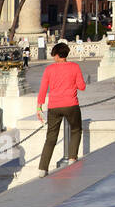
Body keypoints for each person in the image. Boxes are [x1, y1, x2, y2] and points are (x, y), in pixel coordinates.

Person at [36, 42, 86, 176]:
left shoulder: (49, 69)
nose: (53, 58)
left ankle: (43, 168)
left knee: (51, 137)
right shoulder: (75, 67)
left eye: (54, 55)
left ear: (58, 55)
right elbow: (82, 86)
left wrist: (39, 106)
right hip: (71, 104)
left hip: (54, 106)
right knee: (76, 130)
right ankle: (72, 158)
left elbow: (43, 89)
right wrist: (73, 83)